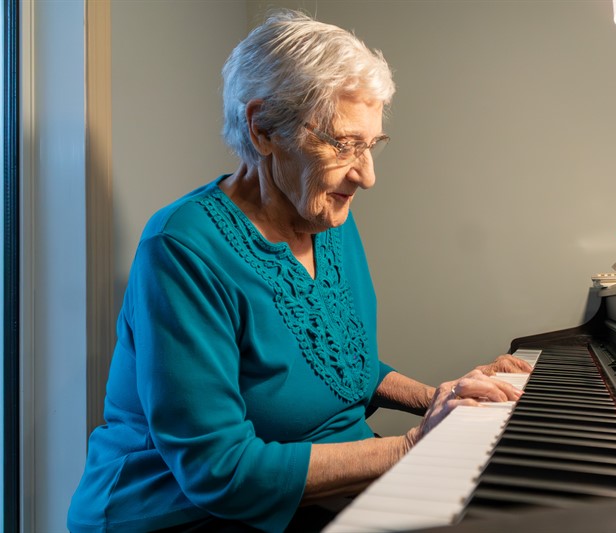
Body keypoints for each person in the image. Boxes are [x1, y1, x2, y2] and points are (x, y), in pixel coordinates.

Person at [67, 9, 531, 533]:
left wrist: (443, 399)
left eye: (371, 145)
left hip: (322, 489)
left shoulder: (325, 216)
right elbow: (219, 472)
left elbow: (342, 368)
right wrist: (418, 444)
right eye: (343, 144)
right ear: (262, 127)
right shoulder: (182, 249)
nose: (367, 175)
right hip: (182, 513)